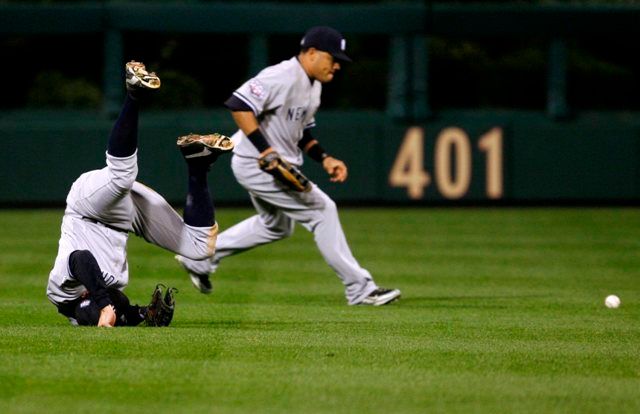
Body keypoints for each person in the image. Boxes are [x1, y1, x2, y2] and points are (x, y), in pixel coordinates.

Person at [176, 26, 401, 306]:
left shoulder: (314, 87)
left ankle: (198, 257)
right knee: (323, 210)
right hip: (256, 164)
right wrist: (266, 150)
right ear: (311, 53)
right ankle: (360, 288)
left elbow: (301, 132)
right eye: (333, 58)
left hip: (273, 166)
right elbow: (239, 105)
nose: (337, 66)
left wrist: (325, 158)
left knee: (276, 226)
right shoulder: (280, 76)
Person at [46, 61, 234, 327]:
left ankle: (134, 93)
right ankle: (198, 162)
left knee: (121, 176)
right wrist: (144, 314)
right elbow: (120, 309)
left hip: (88, 206)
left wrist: (103, 306)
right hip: (125, 220)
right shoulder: (109, 296)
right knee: (200, 246)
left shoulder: (62, 292)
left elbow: (80, 259)